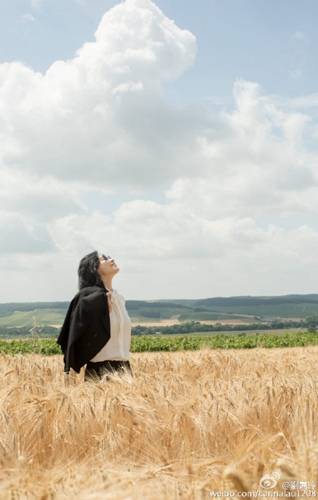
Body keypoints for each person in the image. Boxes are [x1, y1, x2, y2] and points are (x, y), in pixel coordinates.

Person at [56, 250, 133, 383]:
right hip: (100, 373)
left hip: (125, 370)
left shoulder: (119, 299)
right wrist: (98, 304)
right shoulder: (90, 299)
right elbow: (74, 334)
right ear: (94, 268)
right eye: (103, 259)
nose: (110, 259)